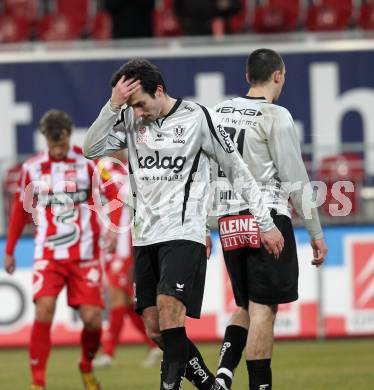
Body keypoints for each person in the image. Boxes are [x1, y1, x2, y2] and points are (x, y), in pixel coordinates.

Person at [83, 58, 284, 390]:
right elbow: (91, 149)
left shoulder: (196, 118)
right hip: (144, 236)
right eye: (131, 105)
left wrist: (265, 221)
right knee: (154, 328)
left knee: (168, 310)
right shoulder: (130, 119)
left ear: (159, 90)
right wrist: (113, 105)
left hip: (184, 231)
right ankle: (210, 386)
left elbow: (236, 168)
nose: (138, 112)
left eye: (141, 103)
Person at [211, 48, 328, 390]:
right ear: (278, 76)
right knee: (264, 310)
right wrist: (316, 232)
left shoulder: (218, 112)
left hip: (229, 221)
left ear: (248, 77)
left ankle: (222, 376)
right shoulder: (275, 115)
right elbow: (295, 179)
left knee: (246, 304)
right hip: (267, 220)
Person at [3, 110, 121, 390]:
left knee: (93, 320)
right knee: (44, 310)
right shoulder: (31, 168)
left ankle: (86, 366)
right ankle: (38, 383)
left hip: (85, 255)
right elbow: (20, 211)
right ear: (45, 139)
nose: (58, 150)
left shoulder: (89, 162)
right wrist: (9, 249)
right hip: (48, 255)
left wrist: (113, 228)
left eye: (63, 143)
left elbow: (115, 193)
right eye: (53, 145)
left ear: (69, 136)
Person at [93, 152, 162, 369]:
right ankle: (155, 345)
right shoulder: (101, 166)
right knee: (125, 302)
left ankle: (108, 353)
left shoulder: (134, 167)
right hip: (107, 243)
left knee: (116, 298)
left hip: (125, 244)